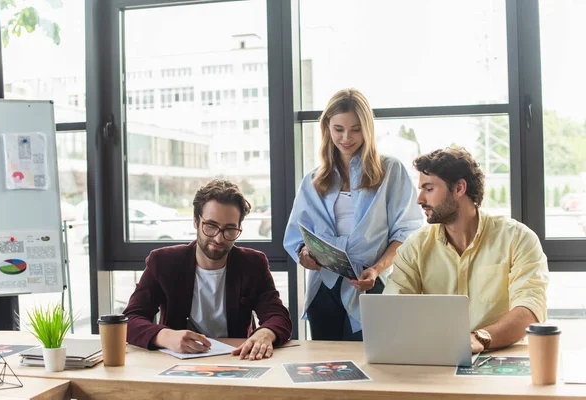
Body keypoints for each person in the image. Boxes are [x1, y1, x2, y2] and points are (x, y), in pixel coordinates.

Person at [284, 88, 423, 341]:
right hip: (324, 287)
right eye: (338, 129)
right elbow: (297, 235)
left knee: (370, 366)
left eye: (356, 129)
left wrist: (377, 268)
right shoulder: (313, 180)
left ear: (368, 129)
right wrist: (304, 255)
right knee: (325, 368)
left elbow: (407, 231)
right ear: (327, 128)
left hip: (369, 283)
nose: (346, 137)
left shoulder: (390, 171)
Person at [385, 147, 549, 353]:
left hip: (501, 357)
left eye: (428, 189)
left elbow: (530, 309)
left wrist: (481, 338)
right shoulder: (415, 247)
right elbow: (392, 309)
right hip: (439, 357)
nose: (420, 200)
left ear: (459, 188)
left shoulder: (517, 238)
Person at [124, 179, 292, 360]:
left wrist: (265, 333)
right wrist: (166, 336)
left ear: (239, 228)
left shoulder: (252, 264)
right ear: (196, 222)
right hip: (174, 363)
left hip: (236, 360)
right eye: (211, 226)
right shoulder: (164, 262)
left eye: (230, 229)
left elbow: (277, 315)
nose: (219, 239)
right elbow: (131, 319)